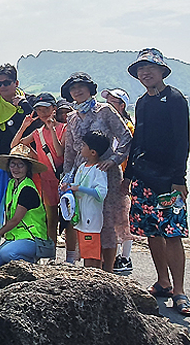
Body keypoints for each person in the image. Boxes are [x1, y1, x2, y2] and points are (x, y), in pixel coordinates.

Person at [124, 48, 190, 317]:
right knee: (152, 232)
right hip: (144, 178)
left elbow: (182, 142)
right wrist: (128, 175)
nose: (145, 73)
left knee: (173, 234)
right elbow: (138, 140)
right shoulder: (142, 102)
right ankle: (163, 282)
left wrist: (179, 179)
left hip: (168, 182)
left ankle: (180, 291)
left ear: (162, 71)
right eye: (141, 69)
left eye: (150, 68)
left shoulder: (175, 99)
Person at [61, 72, 132, 270]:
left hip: (106, 172)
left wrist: (114, 159)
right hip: (82, 174)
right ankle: (91, 269)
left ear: (90, 88)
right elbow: (69, 150)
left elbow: (126, 137)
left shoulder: (105, 110)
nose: (77, 91)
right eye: (73, 88)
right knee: (86, 219)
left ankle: (108, 271)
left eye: (81, 86)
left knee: (108, 222)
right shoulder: (71, 118)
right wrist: (66, 176)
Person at [11, 92, 64, 250]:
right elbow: (15, 145)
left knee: (68, 218)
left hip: (62, 178)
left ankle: (70, 255)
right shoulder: (37, 132)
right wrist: (24, 126)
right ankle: (51, 252)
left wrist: (52, 129)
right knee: (51, 218)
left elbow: (59, 152)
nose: (42, 113)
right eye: (39, 110)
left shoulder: (64, 128)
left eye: (46, 109)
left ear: (54, 109)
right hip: (46, 179)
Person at [0, 144, 48, 272]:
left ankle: (32, 267)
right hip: (13, 238)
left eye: (20, 165)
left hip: (32, 238)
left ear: (27, 168)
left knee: (7, 253)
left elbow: (16, 219)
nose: (16, 168)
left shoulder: (28, 189)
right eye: (13, 164)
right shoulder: (11, 183)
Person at [61, 131, 109, 269]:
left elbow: (100, 193)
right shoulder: (82, 167)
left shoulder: (99, 169)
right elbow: (75, 186)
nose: (81, 148)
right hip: (81, 218)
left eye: (83, 145)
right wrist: (68, 187)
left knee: (92, 255)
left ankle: (93, 277)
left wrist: (79, 188)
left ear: (93, 152)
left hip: (91, 221)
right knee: (86, 252)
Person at [101, 88, 135, 273]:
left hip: (122, 177)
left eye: (112, 102)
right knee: (110, 218)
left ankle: (125, 257)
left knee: (123, 218)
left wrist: (128, 180)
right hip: (107, 177)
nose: (108, 106)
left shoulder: (128, 127)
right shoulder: (106, 125)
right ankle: (111, 257)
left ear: (122, 106)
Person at [0, 64, 40, 155]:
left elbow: (40, 122)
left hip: (32, 157)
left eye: (6, 83)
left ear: (16, 83)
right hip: (8, 158)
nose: (2, 86)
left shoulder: (31, 102)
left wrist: (24, 104)